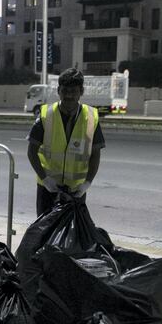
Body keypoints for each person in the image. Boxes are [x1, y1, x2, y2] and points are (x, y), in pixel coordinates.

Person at [27, 68, 105, 216]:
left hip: (76, 191)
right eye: (65, 91)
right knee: (45, 233)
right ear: (58, 90)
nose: (69, 95)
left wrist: (87, 183)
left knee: (73, 234)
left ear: (81, 91)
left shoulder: (91, 117)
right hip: (48, 189)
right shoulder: (46, 115)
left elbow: (95, 154)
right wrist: (45, 179)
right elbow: (31, 151)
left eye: (73, 91)